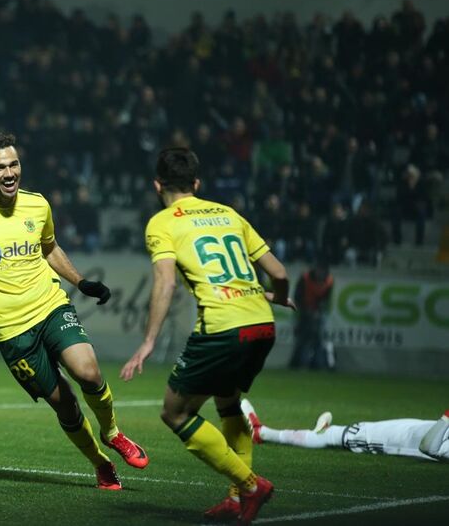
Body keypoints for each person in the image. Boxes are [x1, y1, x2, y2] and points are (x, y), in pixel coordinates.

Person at [0, 132, 148, 492]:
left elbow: (49, 248)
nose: (9, 173)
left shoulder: (38, 205)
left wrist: (81, 282)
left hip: (50, 306)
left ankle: (114, 433)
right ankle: (100, 463)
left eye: (14, 164)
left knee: (88, 372)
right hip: (11, 332)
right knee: (66, 407)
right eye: (0, 167)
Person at [119, 147, 295, 525]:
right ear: (197, 184)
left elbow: (165, 282)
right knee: (229, 403)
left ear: (157, 185)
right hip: (261, 325)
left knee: (175, 412)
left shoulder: (163, 222)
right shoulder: (229, 213)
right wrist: (272, 298)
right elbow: (279, 274)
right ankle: (236, 500)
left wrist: (149, 341)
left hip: (222, 327)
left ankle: (250, 486)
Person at [242, 399, 449, 463]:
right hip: (419, 427)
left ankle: (263, 433)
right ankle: (263, 432)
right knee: (337, 432)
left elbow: (429, 447)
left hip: (400, 440)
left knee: (338, 435)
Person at [289, 261, 334, 370]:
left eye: (322, 271)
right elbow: (297, 296)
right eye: (319, 270)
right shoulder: (305, 278)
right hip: (303, 313)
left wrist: (318, 311)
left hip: (318, 313)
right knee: (302, 338)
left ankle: (317, 363)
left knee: (319, 338)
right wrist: (305, 310)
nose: (320, 273)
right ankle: (297, 362)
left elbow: (326, 299)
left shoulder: (329, 281)